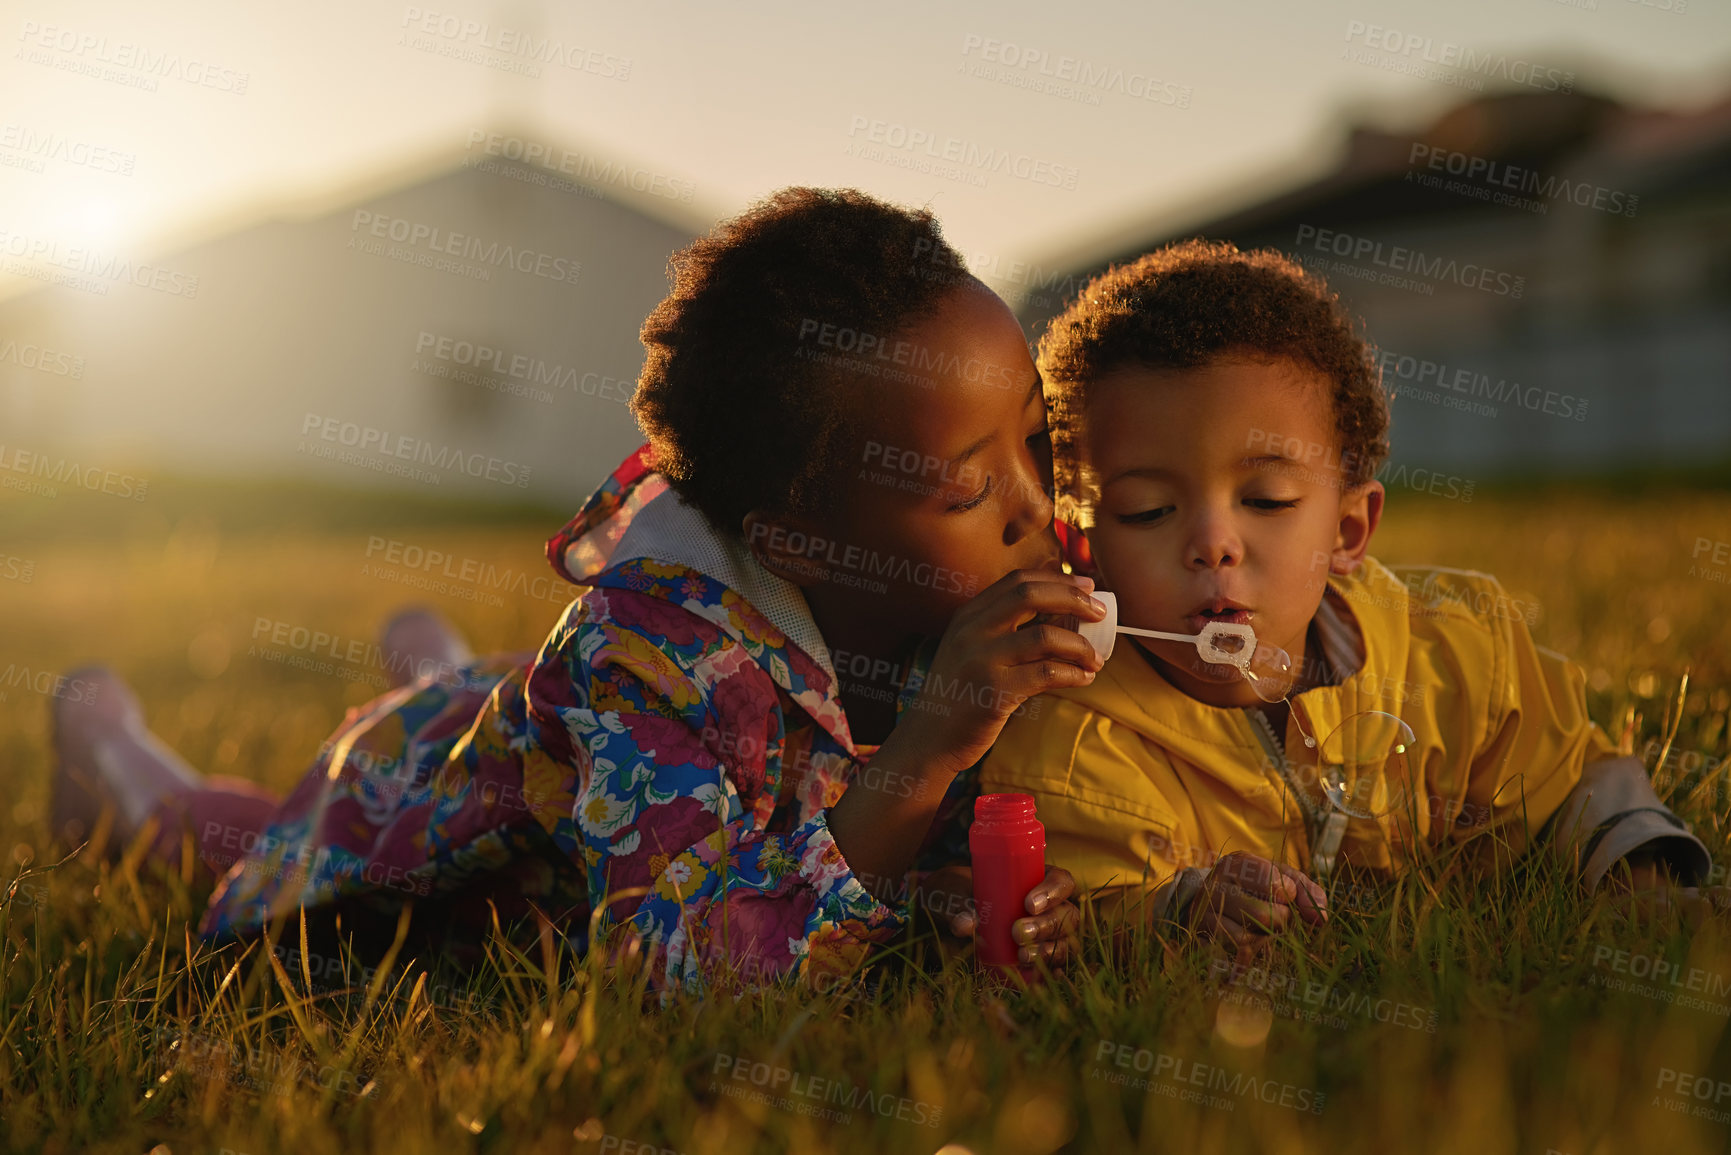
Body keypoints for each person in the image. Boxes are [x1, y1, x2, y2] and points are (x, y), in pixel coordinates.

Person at [48, 187, 1106, 994]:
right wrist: (930, 749)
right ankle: (111, 742)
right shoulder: (642, 663)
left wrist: (976, 894)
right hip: (419, 811)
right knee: (250, 825)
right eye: (973, 487)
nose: (1037, 505)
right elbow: (680, 968)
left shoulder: (948, 622)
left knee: (496, 700)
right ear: (798, 535)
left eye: (1034, 438)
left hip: (550, 724)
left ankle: (441, 664)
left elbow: (905, 858)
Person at [979, 239, 1713, 950]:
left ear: (1348, 529)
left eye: (1265, 499)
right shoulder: (1076, 740)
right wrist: (1175, 909)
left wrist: (1638, 876)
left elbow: (1572, 781)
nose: (1212, 542)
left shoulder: (1458, 658)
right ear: (1085, 546)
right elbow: (1084, 905)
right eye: (1147, 509)